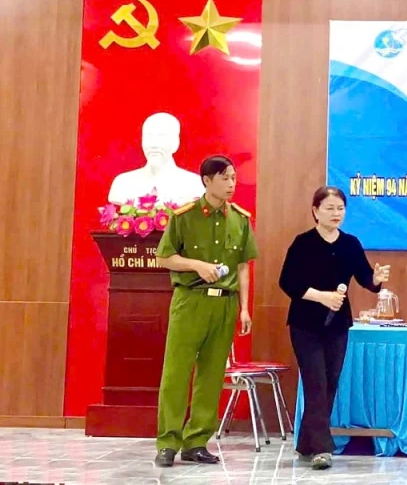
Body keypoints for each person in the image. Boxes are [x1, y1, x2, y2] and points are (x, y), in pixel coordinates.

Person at [153, 155, 258, 467]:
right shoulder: (184, 217)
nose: (231, 184)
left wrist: (244, 308)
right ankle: (168, 443)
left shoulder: (240, 219)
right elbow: (164, 257)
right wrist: (196, 265)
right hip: (190, 301)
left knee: (211, 376)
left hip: (225, 303)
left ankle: (197, 441)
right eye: (224, 178)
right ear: (207, 181)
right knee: (176, 373)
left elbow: (243, 267)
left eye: (233, 178)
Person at [278, 186, 390, 470]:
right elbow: (287, 282)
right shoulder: (303, 243)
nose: (335, 213)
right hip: (305, 324)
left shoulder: (350, 243)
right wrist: (321, 296)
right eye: (329, 208)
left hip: (338, 325)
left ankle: (307, 443)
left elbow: (365, 278)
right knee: (315, 382)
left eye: (340, 208)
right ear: (315, 211)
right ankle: (322, 449)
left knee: (330, 383)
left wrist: (376, 279)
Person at [108, 112, 205, 205]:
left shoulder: (195, 185)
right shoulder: (123, 184)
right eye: (149, 137)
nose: (154, 145)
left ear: (176, 143)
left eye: (161, 137)